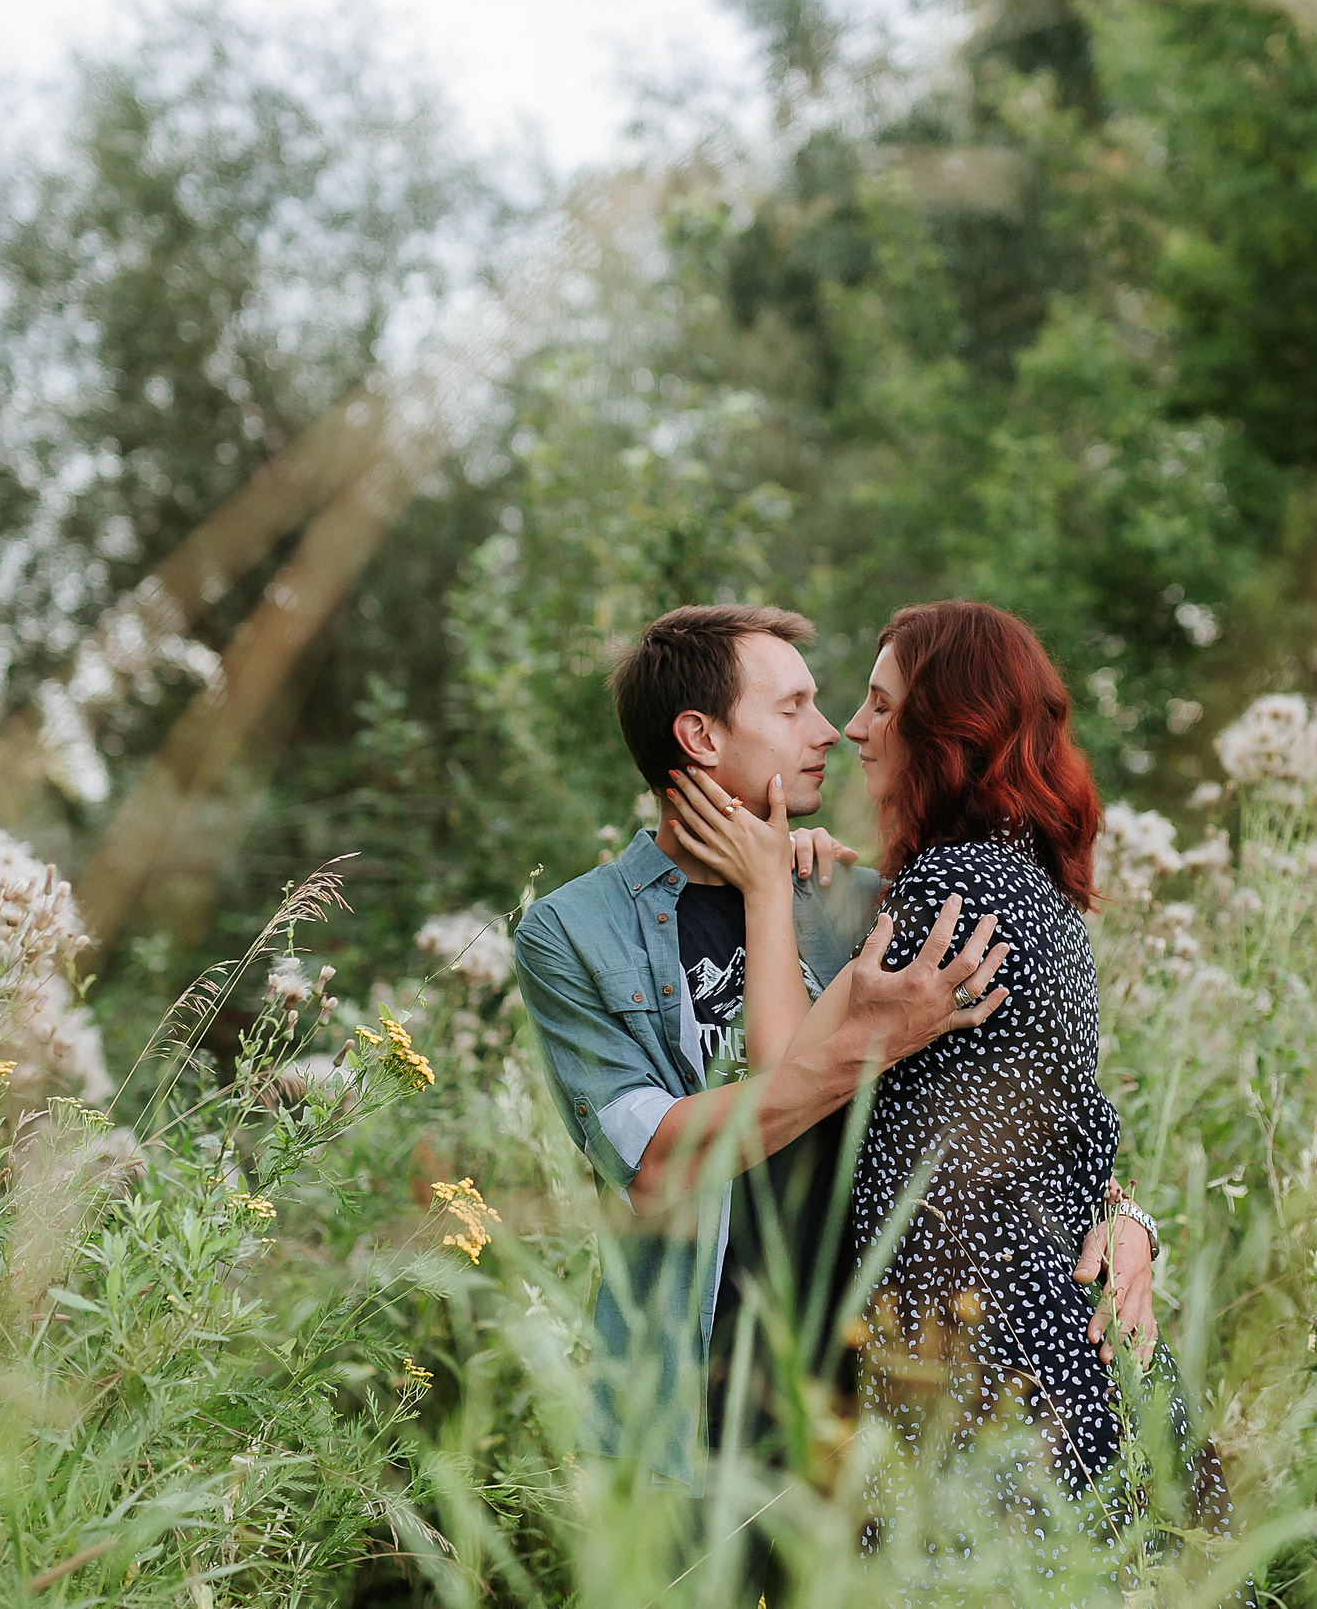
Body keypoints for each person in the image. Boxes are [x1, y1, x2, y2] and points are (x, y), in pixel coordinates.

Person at [513, 604, 1160, 1500]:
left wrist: (1127, 1216)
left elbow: (1016, 1096)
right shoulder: (574, 932)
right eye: (793, 708)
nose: (832, 731)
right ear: (699, 736)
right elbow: (658, 1163)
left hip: (886, 1398)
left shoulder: (860, 896)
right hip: (694, 1410)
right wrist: (868, 1040)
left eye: (843, 705)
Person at [658, 601, 1223, 1556]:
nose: (855, 728)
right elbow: (1056, 1126)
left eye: (881, 705)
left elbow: (787, 1077)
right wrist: (1129, 1216)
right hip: (1043, 1331)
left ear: (947, 730)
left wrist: (763, 891)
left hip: (982, 1353)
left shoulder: (950, 893)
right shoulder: (1025, 885)